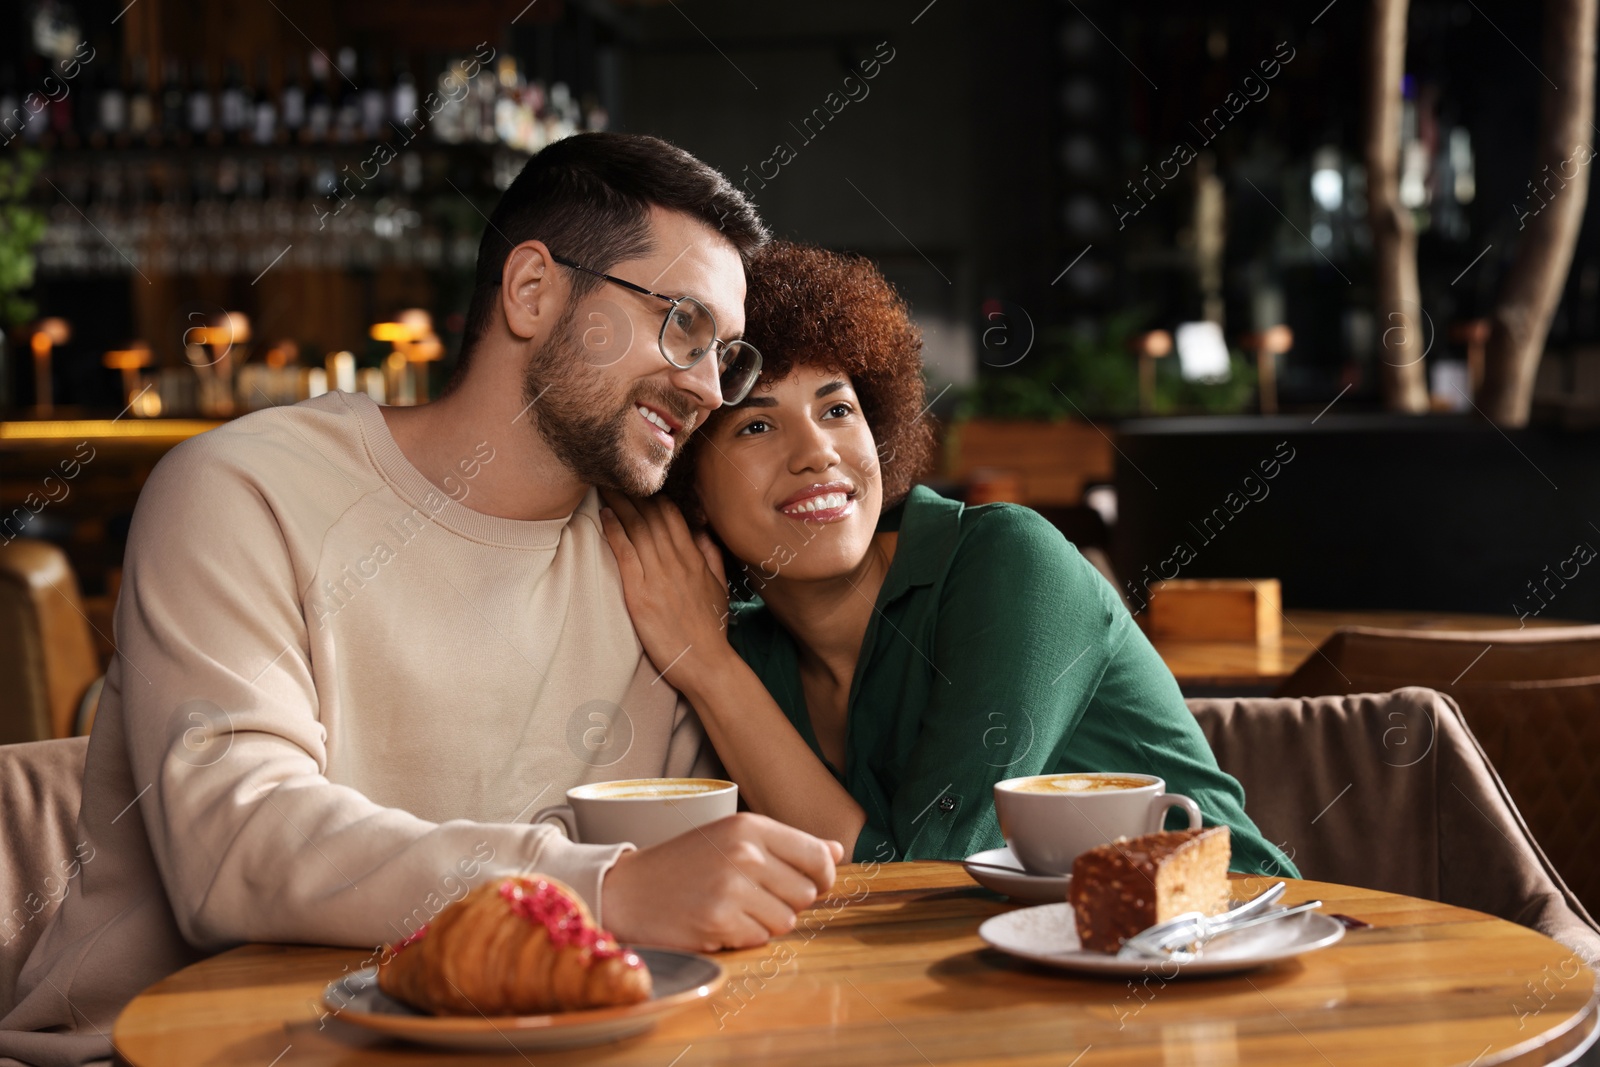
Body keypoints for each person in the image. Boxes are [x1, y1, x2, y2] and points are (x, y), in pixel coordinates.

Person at [0, 135, 842, 1067]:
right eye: (680, 324)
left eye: (725, 354)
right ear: (532, 290)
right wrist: (608, 888)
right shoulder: (242, 490)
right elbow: (235, 847)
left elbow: (672, 903)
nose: (705, 387)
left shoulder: (651, 575)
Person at [599, 241, 1295, 875]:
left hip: (1231, 948)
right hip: (1015, 991)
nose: (818, 453)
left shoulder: (1007, 563)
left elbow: (917, 880)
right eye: (756, 424)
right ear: (688, 479)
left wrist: (710, 670)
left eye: (837, 410)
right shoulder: (750, 642)